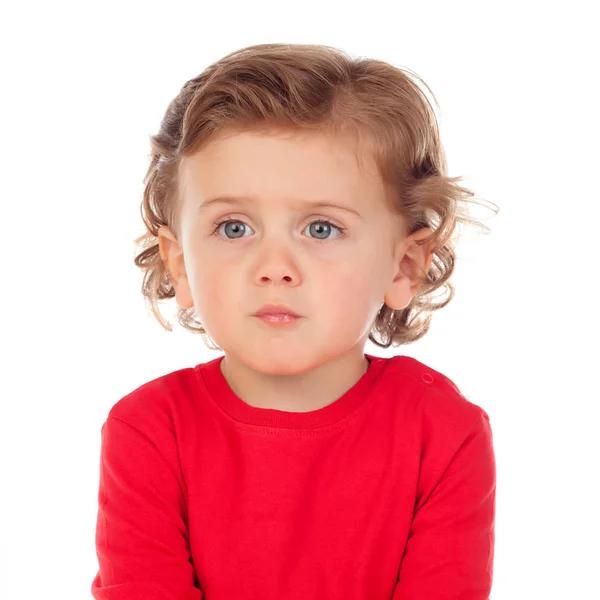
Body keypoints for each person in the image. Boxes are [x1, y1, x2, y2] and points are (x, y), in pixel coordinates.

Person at [91, 43, 498, 600]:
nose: (275, 269)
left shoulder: (442, 433)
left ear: (403, 266)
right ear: (180, 263)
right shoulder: (148, 431)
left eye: (321, 229)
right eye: (234, 228)